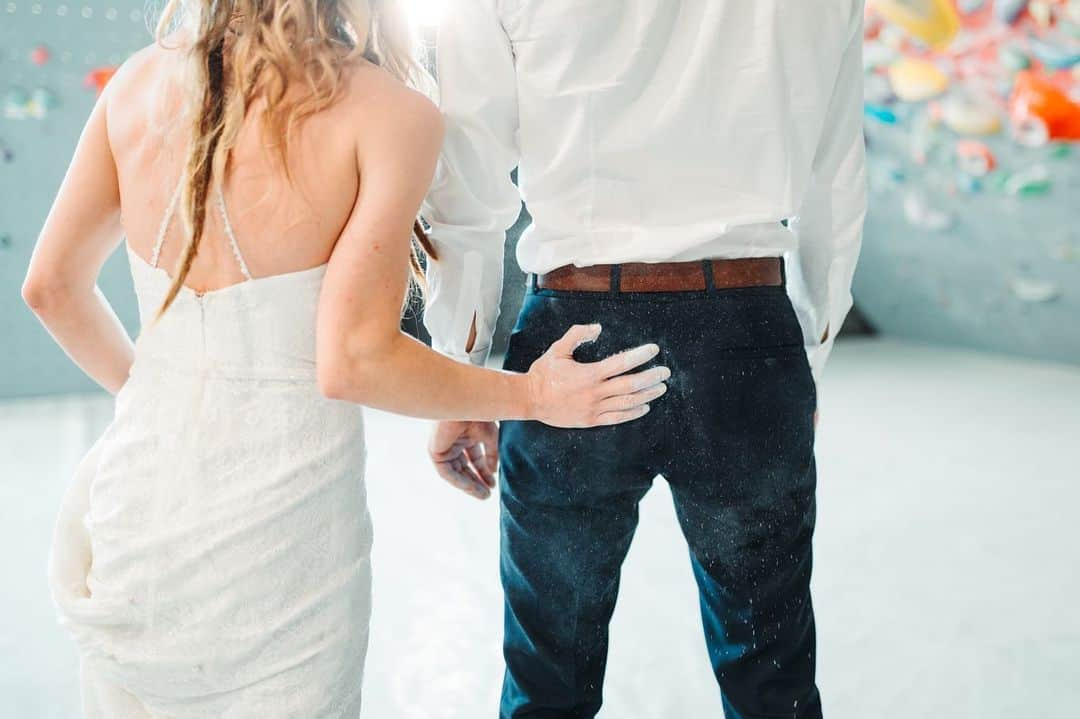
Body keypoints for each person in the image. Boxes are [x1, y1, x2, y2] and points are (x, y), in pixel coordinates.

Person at [21, 0, 669, 714]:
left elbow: (51, 287)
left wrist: (150, 392)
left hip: (138, 510)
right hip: (281, 543)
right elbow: (355, 359)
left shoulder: (136, 85)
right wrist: (533, 397)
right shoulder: (387, 115)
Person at [423, 1, 868, 717]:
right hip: (749, 326)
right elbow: (835, 184)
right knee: (771, 670)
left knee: (548, 672)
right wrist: (804, 356)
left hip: (576, 331)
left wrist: (462, 374)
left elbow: (467, 183)